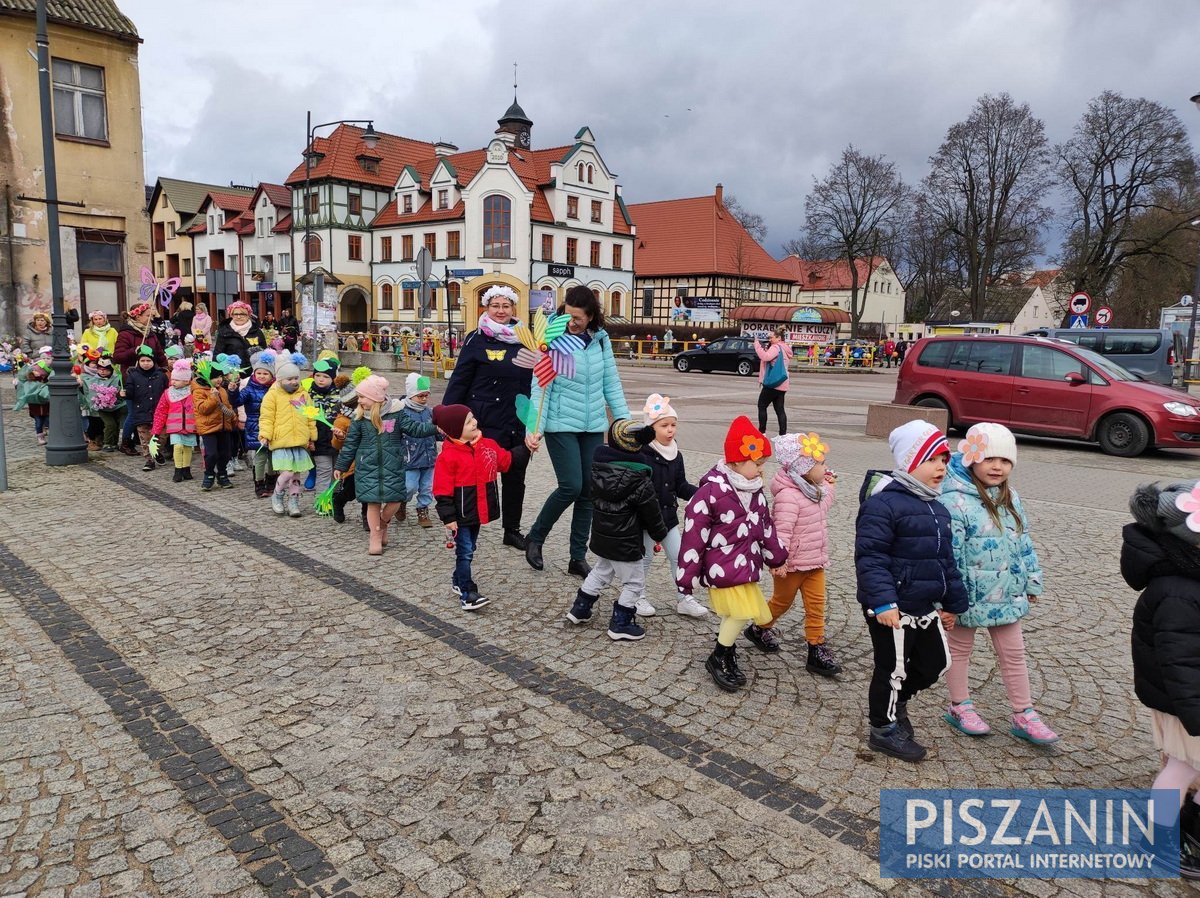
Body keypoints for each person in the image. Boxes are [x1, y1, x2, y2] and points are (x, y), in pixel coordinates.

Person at [855, 420, 968, 763]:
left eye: (945, 460)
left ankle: (898, 701)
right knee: (891, 667)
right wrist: (884, 601)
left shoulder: (938, 508)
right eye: (932, 459)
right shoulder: (883, 505)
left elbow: (946, 560)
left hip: (923, 603)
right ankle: (882, 729)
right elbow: (870, 558)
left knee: (936, 662)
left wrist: (952, 602)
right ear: (909, 461)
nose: (941, 467)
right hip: (890, 605)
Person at [937, 423, 1057, 743]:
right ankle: (959, 705)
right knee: (960, 650)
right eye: (990, 459)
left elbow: (1023, 542)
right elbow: (949, 554)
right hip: (968, 596)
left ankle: (1024, 713)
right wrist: (949, 600)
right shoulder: (955, 501)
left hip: (1006, 593)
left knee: (1014, 653)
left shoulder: (1010, 497)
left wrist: (1031, 581)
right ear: (971, 459)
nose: (997, 467)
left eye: (1005, 461)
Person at [525, 285, 630, 578]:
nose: (572, 321)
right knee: (571, 486)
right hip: (560, 424)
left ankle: (577, 557)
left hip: (593, 425)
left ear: (591, 315)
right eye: (568, 315)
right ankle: (536, 537)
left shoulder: (600, 340)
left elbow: (611, 383)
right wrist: (533, 428)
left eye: (578, 318)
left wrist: (622, 422)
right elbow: (540, 387)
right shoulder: (553, 338)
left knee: (588, 492)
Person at [677, 417, 788, 692]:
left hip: (746, 565)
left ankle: (725, 653)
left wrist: (777, 558)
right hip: (722, 567)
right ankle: (718, 656)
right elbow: (693, 535)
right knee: (740, 614)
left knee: (737, 614)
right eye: (757, 464)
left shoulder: (756, 493)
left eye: (763, 464)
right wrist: (686, 576)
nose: (761, 471)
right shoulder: (710, 493)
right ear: (736, 461)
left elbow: (766, 528)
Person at [1123, 479, 1200, 879]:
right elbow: (1179, 660)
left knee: (1185, 767)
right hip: (1187, 702)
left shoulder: (1188, 578)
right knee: (1181, 771)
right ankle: (1164, 842)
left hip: (1187, 699)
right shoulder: (1178, 592)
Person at [442, 285, 533, 549]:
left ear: (513, 308)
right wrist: (448, 417)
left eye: (506, 306)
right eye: (495, 306)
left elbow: (536, 380)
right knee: (477, 477)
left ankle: (512, 530)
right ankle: (470, 527)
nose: (501, 311)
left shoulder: (526, 337)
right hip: (484, 421)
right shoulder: (476, 338)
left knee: (516, 477)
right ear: (486, 308)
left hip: (518, 419)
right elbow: (460, 379)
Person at [745, 431, 841, 676]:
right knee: (781, 603)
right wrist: (779, 561)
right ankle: (758, 628)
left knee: (817, 605)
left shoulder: (815, 489)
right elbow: (782, 532)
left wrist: (830, 485)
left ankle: (816, 648)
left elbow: (824, 504)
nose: (825, 467)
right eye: (820, 464)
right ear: (803, 468)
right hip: (791, 565)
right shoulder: (788, 496)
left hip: (815, 563)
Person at [564, 419, 667, 640]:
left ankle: (580, 609)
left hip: (603, 538)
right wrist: (659, 534)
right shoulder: (640, 479)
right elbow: (652, 513)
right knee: (634, 583)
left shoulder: (598, 471)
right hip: (626, 542)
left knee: (600, 572)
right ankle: (621, 623)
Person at [432, 404, 526, 610]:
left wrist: (527, 447)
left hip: (478, 512)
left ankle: (457, 579)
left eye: (472, 417)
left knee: (470, 547)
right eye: (468, 421)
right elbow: (441, 491)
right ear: (456, 429)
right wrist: (449, 518)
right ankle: (468, 592)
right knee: (465, 551)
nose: (474, 422)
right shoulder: (447, 457)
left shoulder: (488, 445)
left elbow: (507, 461)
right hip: (460, 514)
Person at [333, 375, 437, 555]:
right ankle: (375, 535)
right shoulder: (359, 419)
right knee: (372, 502)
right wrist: (341, 466)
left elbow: (415, 429)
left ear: (374, 397)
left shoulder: (396, 413)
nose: (359, 401)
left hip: (393, 466)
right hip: (367, 468)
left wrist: (436, 427)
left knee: (395, 500)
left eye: (362, 397)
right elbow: (350, 445)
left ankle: (382, 524)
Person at [636, 394, 706, 618]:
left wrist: (703, 494)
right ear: (651, 428)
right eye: (664, 425)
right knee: (644, 558)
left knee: (679, 556)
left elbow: (681, 486)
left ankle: (684, 598)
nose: (670, 430)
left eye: (673, 425)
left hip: (668, 518)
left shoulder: (676, 455)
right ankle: (637, 596)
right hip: (646, 519)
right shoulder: (642, 455)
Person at [258, 353, 317, 517]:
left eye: (296, 378)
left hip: (299, 440)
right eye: (289, 379)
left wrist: (312, 436)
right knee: (288, 473)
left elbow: (310, 416)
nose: (293, 382)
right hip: (280, 440)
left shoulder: (304, 395)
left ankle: (294, 501)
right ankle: (277, 495)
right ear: (280, 380)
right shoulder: (272, 395)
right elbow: (267, 417)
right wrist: (265, 434)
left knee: (296, 475)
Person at [191, 358, 238, 491]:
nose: (219, 380)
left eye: (220, 376)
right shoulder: (199, 391)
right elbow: (203, 409)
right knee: (211, 454)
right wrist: (212, 397)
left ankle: (222, 474)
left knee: (225, 453)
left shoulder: (222, 390)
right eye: (215, 377)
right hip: (208, 428)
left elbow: (227, 406)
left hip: (224, 427)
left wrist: (233, 418)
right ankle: (209, 474)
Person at [152, 360, 199, 482]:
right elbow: (161, 412)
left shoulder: (193, 393)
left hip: (190, 426)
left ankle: (186, 468)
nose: (173, 382)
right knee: (178, 447)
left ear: (186, 381)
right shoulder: (168, 393)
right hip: (174, 427)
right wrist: (156, 431)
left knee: (188, 447)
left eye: (176, 380)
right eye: (172, 379)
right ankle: (178, 469)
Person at [399, 373, 436, 528]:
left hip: (429, 456)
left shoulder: (429, 412)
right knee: (409, 486)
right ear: (411, 394)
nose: (424, 399)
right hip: (410, 458)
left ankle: (423, 508)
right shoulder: (402, 411)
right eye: (420, 396)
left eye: (426, 395)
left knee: (427, 487)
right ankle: (401, 501)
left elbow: (436, 429)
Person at [124, 346, 167, 471]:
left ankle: (157, 452)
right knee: (145, 438)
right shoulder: (133, 375)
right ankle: (149, 460)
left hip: (159, 412)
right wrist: (124, 393)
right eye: (142, 361)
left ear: (153, 362)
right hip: (141, 411)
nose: (146, 363)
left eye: (148, 361)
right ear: (138, 362)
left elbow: (166, 391)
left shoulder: (161, 375)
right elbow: (130, 393)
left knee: (161, 437)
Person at [241, 351, 276, 498]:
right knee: (260, 456)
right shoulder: (249, 389)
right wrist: (232, 390)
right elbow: (237, 400)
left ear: (271, 376)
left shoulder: (275, 389)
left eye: (265, 374)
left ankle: (272, 480)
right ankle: (259, 483)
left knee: (273, 456)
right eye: (259, 373)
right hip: (256, 428)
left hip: (274, 427)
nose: (261, 376)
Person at [308, 357, 343, 497]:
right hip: (319, 440)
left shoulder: (340, 394)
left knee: (337, 470)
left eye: (325, 376)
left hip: (337, 438)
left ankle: (334, 498)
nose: (321, 379)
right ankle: (322, 500)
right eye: (317, 375)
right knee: (324, 470)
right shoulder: (308, 394)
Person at [113, 302, 167, 381]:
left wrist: (165, 369)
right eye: (148, 316)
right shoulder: (125, 334)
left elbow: (160, 355)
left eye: (152, 316)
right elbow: (117, 357)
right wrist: (134, 350)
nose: (151, 319)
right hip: (132, 378)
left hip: (152, 378)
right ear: (138, 317)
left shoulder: (151, 334)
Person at [753, 326, 792, 436]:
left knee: (762, 406)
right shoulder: (785, 348)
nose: (770, 339)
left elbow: (765, 357)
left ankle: (762, 432)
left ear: (779, 338)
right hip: (782, 383)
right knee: (780, 409)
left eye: (771, 337)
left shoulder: (776, 347)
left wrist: (757, 345)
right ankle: (782, 435)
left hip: (772, 383)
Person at [212, 301, 268, 374]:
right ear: (231, 315)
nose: (239, 317)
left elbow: (264, 353)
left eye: (242, 314)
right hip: (232, 375)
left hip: (254, 375)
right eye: (235, 314)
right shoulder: (224, 332)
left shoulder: (257, 331)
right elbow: (217, 355)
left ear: (248, 315)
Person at [14, 357, 51, 445]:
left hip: (46, 405)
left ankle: (49, 433)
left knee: (48, 420)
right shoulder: (29, 381)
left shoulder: (46, 380)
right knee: (38, 422)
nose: (38, 372)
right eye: (36, 370)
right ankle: (40, 436)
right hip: (35, 406)